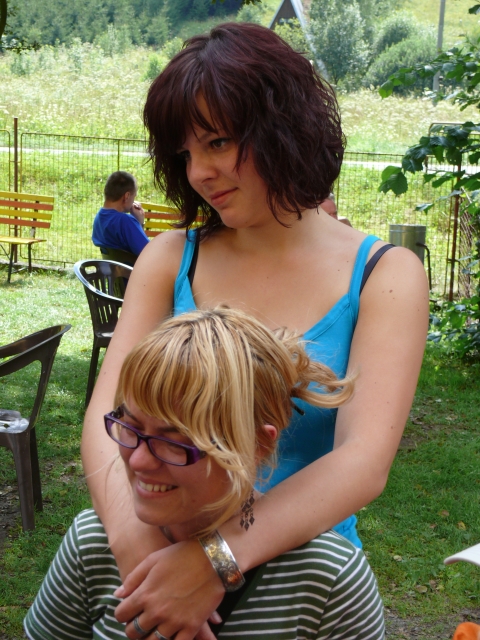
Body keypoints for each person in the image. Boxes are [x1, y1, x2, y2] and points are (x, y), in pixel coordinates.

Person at [81, 22, 429, 640]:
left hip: (307, 588)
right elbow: (105, 419)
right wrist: (136, 548)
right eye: (186, 154)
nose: (199, 172)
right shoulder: (169, 259)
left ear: (285, 128)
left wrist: (213, 560)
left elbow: (362, 462)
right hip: (157, 569)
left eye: (217, 142)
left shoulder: (385, 275)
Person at [24, 308, 385, 639]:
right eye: (131, 427)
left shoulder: (329, 580)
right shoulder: (92, 544)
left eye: (174, 442)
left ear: (257, 445)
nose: (138, 463)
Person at [92, 171, 149, 261]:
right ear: (126, 196)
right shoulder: (125, 221)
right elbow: (149, 254)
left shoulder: (99, 217)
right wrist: (140, 222)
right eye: (134, 196)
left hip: (114, 269)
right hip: (132, 269)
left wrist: (138, 223)